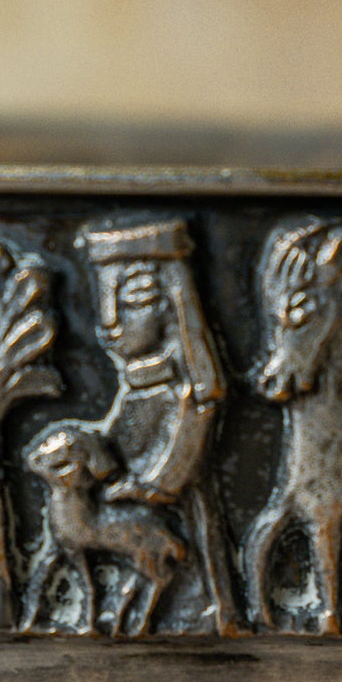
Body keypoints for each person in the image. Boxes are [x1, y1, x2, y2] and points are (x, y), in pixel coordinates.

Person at [76, 218, 237, 630]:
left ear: (173, 300)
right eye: (104, 296)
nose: (109, 324)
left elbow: (201, 405)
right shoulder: (136, 393)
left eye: (133, 297)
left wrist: (158, 483)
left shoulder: (181, 390)